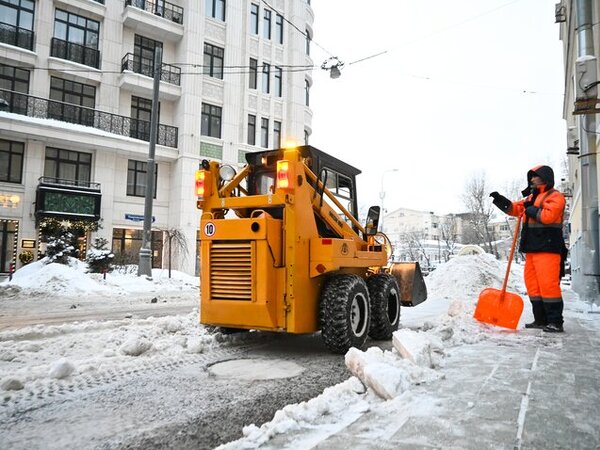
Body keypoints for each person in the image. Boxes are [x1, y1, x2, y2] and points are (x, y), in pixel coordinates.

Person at [489, 165, 567, 333]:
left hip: (548, 247)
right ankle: (540, 320)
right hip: (532, 248)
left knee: (548, 285)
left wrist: (530, 208)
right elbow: (516, 209)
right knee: (533, 286)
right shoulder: (532, 197)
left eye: (535, 176)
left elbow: (547, 216)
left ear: (545, 177)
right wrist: (501, 200)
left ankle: (555, 321)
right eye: (530, 176)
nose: (532, 179)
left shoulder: (555, 196)